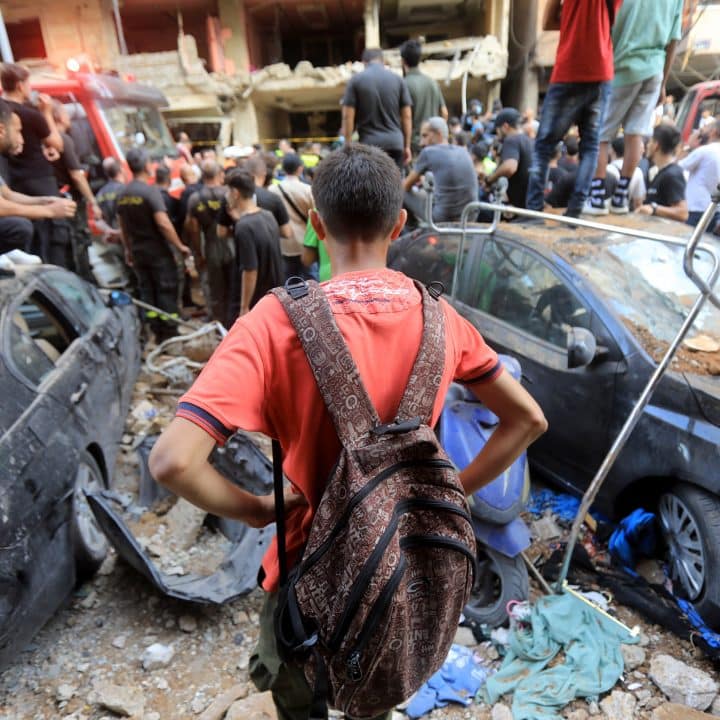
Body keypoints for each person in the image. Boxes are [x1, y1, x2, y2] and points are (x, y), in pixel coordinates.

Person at [148, 143, 546, 720]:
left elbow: (172, 462)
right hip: (399, 570)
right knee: (373, 694)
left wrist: (261, 509)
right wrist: (451, 490)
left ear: (314, 224)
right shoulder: (443, 320)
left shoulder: (272, 323)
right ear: (400, 224)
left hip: (308, 569)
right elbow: (527, 419)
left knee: (302, 694)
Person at [585, 0, 683, 215]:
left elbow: (607, 25)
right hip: (655, 69)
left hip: (622, 66)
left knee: (600, 135)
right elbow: (674, 40)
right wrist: (663, 82)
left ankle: (597, 199)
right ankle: (620, 198)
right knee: (634, 134)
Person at [525, 0, 620, 218]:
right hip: (600, 70)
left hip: (569, 69)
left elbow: (548, 21)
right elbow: (612, 21)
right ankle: (575, 210)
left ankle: (534, 210)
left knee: (543, 146)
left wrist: (571, 21)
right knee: (590, 147)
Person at [117, 148, 191, 341]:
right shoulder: (150, 192)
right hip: (158, 253)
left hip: (138, 252)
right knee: (165, 289)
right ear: (146, 165)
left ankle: (155, 330)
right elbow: (163, 223)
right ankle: (169, 332)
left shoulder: (123, 193)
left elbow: (123, 226)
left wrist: (128, 249)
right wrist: (179, 246)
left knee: (147, 290)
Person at [1, 63, 72, 263]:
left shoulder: (6, 110)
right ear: (20, 85)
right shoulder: (29, 114)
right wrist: (47, 113)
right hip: (37, 182)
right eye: (17, 131)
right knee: (49, 244)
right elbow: (57, 143)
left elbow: (6, 196)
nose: (20, 141)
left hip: (14, 185)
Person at [51, 101, 102, 280]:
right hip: (71, 201)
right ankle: (84, 279)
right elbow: (77, 175)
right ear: (58, 117)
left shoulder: (48, 140)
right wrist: (93, 202)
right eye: (65, 113)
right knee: (79, 240)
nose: (69, 117)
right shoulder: (64, 139)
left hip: (56, 200)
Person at [225, 169, 283, 320]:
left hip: (255, 301)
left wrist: (244, 307)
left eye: (228, 191)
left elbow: (250, 270)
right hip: (272, 297)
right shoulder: (267, 215)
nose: (226, 196)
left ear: (235, 193)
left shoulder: (244, 226)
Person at [341, 48, 413, 169]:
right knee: (395, 185)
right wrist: (407, 146)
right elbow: (407, 116)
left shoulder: (355, 81)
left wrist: (347, 145)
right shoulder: (398, 80)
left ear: (364, 62)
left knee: (371, 186)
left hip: (369, 145)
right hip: (395, 144)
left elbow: (347, 116)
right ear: (383, 61)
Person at [402, 117, 477, 223]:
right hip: (470, 216)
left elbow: (406, 186)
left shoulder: (428, 152)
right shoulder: (463, 151)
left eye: (425, 136)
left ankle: (412, 232)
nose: (421, 143)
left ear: (438, 134)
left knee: (400, 190)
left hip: (443, 219)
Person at [186, 160, 233, 324]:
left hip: (210, 246)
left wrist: (198, 253)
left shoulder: (195, 199)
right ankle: (233, 319)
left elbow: (192, 229)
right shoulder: (229, 194)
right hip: (232, 245)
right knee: (233, 283)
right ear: (219, 174)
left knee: (215, 287)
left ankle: (218, 320)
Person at [269, 153, 314, 279]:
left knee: (289, 283)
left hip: (283, 243)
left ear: (283, 169)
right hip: (305, 243)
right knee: (310, 282)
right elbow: (314, 216)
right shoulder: (307, 190)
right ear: (300, 169)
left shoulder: (273, 190)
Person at [400, 38, 448, 155]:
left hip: (415, 145)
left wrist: (406, 145)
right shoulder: (432, 83)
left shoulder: (404, 84)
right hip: (435, 143)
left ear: (403, 61)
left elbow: (405, 117)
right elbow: (444, 113)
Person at [636, 123, 688, 222]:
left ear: (656, 145)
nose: (647, 145)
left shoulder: (672, 174)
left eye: (650, 142)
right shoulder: (661, 172)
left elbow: (682, 213)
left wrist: (653, 208)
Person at [483, 108, 534, 210]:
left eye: (497, 130)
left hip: (518, 209)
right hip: (529, 204)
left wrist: (489, 180)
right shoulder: (529, 140)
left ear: (505, 126)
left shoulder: (511, 139)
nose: (497, 134)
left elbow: (510, 168)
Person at [678, 119, 720, 233]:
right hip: (712, 211)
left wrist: (688, 145)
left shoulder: (704, 151)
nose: (701, 131)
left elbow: (676, 168)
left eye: (705, 128)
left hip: (695, 209)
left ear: (713, 132)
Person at [605, 136, 647, 211]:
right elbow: (638, 202)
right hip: (622, 210)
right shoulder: (637, 171)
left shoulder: (606, 169)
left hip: (604, 210)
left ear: (612, 150)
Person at [96, 157, 126, 231]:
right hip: (127, 235)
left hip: (112, 236)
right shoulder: (125, 190)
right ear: (121, 169)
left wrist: (110, 231)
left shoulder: (100, 192)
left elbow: (97, 219)